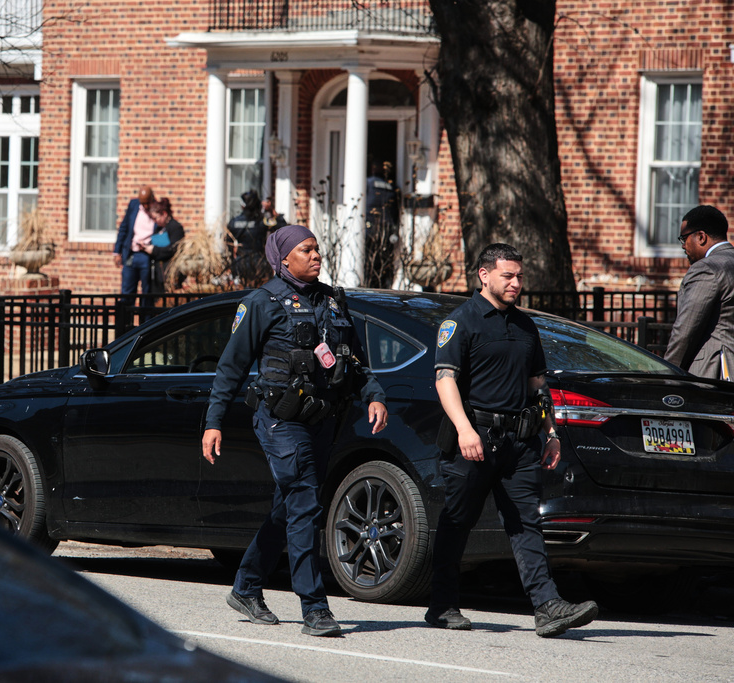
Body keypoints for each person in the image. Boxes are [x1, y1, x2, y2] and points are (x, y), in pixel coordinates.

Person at [202, 224, 389, 638]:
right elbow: (230, 368)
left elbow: (353, 361)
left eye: (317, 248)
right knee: (305, 505)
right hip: (280, 420)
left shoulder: (334, 300)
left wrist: (374, 394)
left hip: (321, 420)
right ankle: (314, 608)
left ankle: (247, 586)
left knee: (290, 505)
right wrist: (213, 422)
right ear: (284, 259)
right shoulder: (261, 303)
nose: (316, 255)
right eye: (306, 250)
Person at [427, 243, 598, 638]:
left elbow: (538, 385)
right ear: (484, 275)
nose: (516, 283)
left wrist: (550, 432)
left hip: (519, 444)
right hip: (474, 439)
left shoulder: (525, 326)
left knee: (526, 524)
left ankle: (547, 607)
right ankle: (442, 605)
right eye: (508, 276)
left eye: (520, 276)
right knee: (458, 521)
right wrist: (465, 429)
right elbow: (444, 379)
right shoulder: (461, 322)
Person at [664, 205, 734, 379]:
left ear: (701, 237)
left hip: (716, 373)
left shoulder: (707, 268)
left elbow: (686, 330)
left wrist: (667, 374)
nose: (682, 246)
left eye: (684, 238)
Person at [114, 185, 156, 301]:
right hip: (131, 254)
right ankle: (125, 319)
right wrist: (117, 251)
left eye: (147, 202)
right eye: (143, 203)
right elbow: (124, 228)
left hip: (147, 256)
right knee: (127, 292)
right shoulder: (133, 205)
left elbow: (161, 232)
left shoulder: (157, 209)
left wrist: (150, 245)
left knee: (146, 293)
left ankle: (146, 319)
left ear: (152, 198)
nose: (146, 206)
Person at [227, 189, 268, 284]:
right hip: (259, 262)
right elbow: (281, 226)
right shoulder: (262, 222)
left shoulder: (234, 222)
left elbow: (228, 243)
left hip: (240, 262)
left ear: (242, 205)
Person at [144, 197, 185, 293]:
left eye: (156, 218)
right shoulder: (158, 229)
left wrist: (154, 250)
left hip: (169, 272)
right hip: (157, 272)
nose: (155, 221)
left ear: (164, 214)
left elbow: (174, 248)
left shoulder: (175, 227)